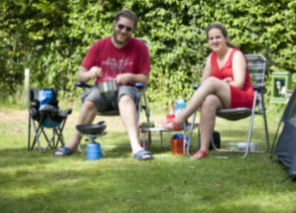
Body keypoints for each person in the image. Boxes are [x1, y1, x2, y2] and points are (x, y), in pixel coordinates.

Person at [54, 10, 153, 160]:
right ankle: (73, 143)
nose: (123, 31)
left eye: (128, 29)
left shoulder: (139, 47)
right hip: (103, 91)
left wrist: (129, 76)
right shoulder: (98, 46)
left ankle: (135, 147)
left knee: (125, 94)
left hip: (125, 94)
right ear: (114, 24)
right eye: (120, 26)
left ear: (133, 30)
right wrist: (89, 74)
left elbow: (144, 79)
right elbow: (80, 75)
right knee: (90, 98)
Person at [159, 23, 254, 160]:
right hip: (225, 99)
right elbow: (204, 84)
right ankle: (204, 150)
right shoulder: (212, 57)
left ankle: (180, 119)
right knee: (209, 100)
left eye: (218, 37)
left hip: (243, 98)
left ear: (226, 38)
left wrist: (219, 84)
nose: (214, 41)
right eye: (211, 38)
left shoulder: (236, 54)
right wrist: (220, 84)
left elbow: (239, 83)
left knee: (212, 81)